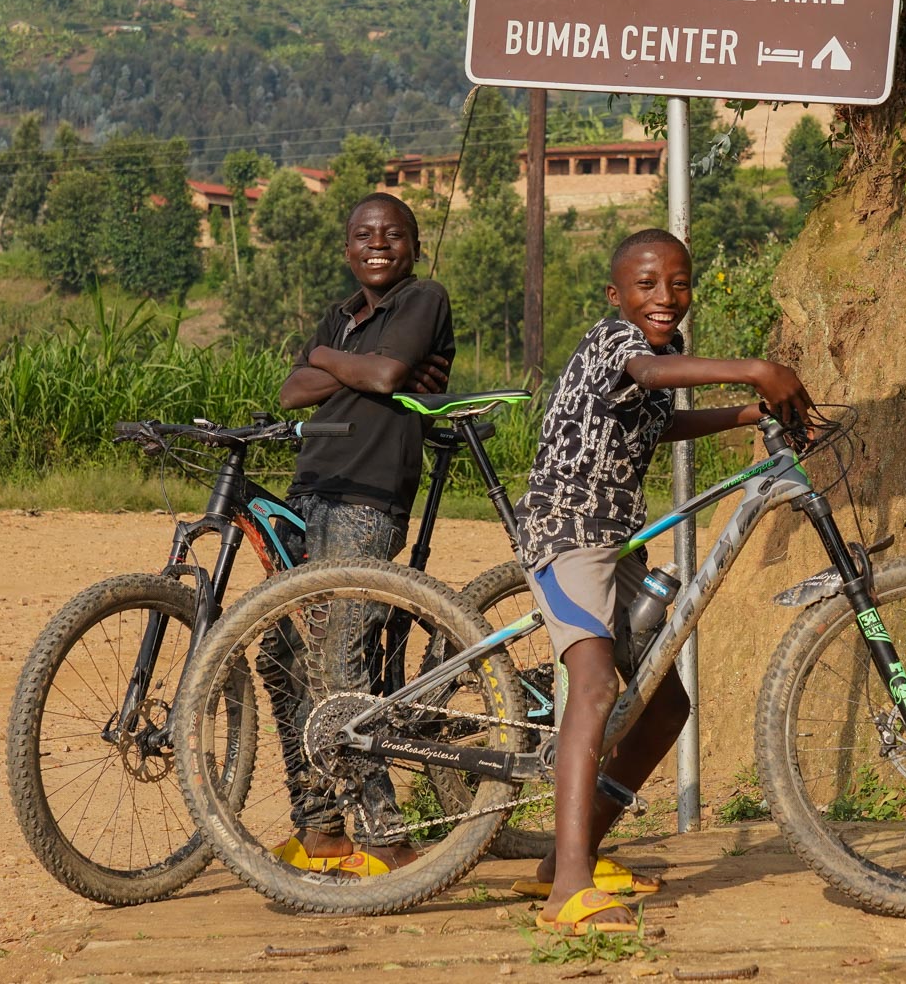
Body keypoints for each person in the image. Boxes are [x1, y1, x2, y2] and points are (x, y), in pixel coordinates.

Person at [512, 228, 812, 934]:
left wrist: (746, 415)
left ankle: (565, 857)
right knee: (594, 688)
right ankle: (569, 895)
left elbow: (657, 423)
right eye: (647, 285)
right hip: (568, 533)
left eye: (677, 284)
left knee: (665, 706)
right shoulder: (615, 344)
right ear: (617, 296)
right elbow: (644, 380)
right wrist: (755, 370)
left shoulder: (665, 352)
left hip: (616, 542)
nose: (664, 298)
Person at [262, 191, 453, 876]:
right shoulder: (340, 316)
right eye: (364, 234)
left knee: (341, 660)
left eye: (393, 234)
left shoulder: (423, 299)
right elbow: (292, 391)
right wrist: (352, 365)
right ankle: (321, 827)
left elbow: (387, 374)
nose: (378, 244)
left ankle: (386, 837)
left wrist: (333, 363)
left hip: (368, 497)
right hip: (310, 490)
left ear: (415, 244)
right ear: (347, 247)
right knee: (280, 656)